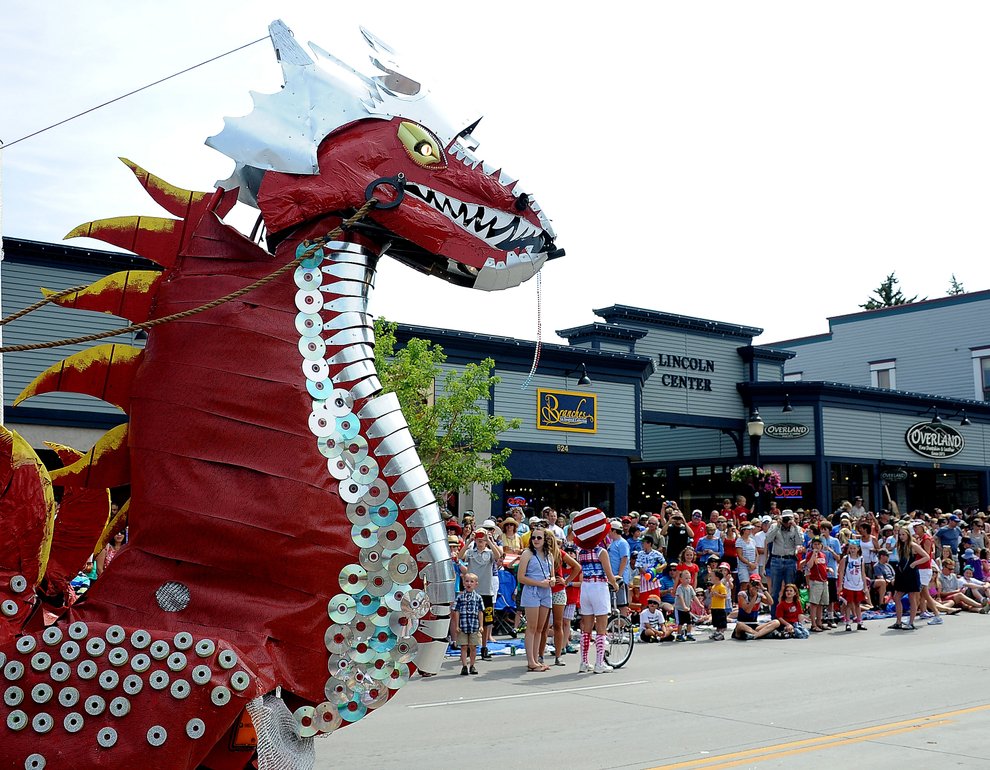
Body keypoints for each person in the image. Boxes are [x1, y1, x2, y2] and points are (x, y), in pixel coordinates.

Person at [573, 507, 619, 674]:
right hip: (599, 587)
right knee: (601, 627)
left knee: (586, 627)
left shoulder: (580, 552)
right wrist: (615, 584)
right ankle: (599, 662)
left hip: (585, 587)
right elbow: (609, 574)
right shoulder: (601, 552)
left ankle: (584, 661)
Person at [458, 527, 503, 660]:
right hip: (472, 592)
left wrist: (490, 541)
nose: (480, 542)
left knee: (486, 621)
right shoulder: (471, 553)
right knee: (469, 619)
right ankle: (468, 647)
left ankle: (484, 647)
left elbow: (498, 556)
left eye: (482, 540)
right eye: (478, 540)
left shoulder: (489, 553)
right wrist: (469, 541)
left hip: (486, 591)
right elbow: (460, 556)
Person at [517, 527, 554, 672]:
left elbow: (552, 574)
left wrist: (552, 580)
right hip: (532, 591)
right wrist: (540, 583)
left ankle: (537, 658)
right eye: (534, 538)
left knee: (540, 628)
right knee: (531, 627)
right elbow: (521, 578)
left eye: (539, 538)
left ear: (545, 540)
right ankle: (531, 661)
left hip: (546, 592)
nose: (536, 540)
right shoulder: (527, 554)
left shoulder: (549, 555)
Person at [543, 531, 581, 667]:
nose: (546, 541)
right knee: (543, 626)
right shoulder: (537, 553)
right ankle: (540, 655)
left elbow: (577, 567)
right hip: (543, 590)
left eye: (548, 538)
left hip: (558, 591)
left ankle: (558, 655)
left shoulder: (558, 553)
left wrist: (566, 581)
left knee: (558, 624)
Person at [890, 526, 928, 631]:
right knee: (897, 597)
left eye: (903, 534)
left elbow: (926, 556)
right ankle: (898, 622)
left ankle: (911, 623)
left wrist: (914, 563)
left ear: (908, 535)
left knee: (912, 598)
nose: (901, 537)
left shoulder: (912, 545)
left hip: (911, 573)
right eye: (900, 534)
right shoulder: (900, 546)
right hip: (902, 574)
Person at [766, 510, 802, 616]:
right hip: (776, 560)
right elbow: (768, 539)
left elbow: (800, 542)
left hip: (790, 560)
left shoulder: (797, 529)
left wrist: (795, 527)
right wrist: (778, 525)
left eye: (788, 519)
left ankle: (791, 615)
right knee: (775, 591)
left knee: (791, 589)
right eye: (785, 518)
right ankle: (775, 616)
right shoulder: (774, 527)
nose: (786, 521)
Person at [451, 573, 484, 675]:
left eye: (471, 581)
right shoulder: (460, 597)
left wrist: (481, 625)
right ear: (464, 583)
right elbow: (456, 611)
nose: (469, 583)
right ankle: (464, 666)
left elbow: (480, 611)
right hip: (463, 626)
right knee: (464, 646)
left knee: (473, 647)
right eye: (467, 581)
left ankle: (472, 665)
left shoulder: (478, 597)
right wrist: (457, 625)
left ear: (476, 584)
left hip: (474, 626)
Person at [731, 575, 780, 640]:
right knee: (740, 624)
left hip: (754, 625)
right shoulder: (742, 594)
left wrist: (763, 588)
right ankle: (759, 634)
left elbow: (771, 602)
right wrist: (754, 597)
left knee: (776, 622)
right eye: (753, 583)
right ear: (749, 584)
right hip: (743, 624)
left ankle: (756, 635)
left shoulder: (760, 596)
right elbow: (748, 611)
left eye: (756, 583)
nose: (754, 585)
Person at [838, 539, 868, 631]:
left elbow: (863, 573)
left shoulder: (861, 559)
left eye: (854, 548)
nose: (852, 550)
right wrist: (840, 585)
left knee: (858, 604)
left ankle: (859, 621)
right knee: (848, 604)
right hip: (848, 584)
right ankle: (848, 622)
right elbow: (841, 572)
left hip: (858, 584)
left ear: (858, 549)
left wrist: (865, 586)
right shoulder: (846, 559)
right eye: (851, 548)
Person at [801, 536, 829, 632]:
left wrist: (828, 569)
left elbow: (823, 566)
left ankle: (819, 622)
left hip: (823, 581)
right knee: (814, 604)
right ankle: (813, 624)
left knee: (821, 603)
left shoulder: (823, 555)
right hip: (815, 582)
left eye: (818, 544)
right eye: (815, 544)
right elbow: (809, 565)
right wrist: (813, 554)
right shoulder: (810, 554)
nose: (817, 546)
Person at [607, 520, 632, 617]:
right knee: (614, 602)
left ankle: (623, 623)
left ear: (614, 531)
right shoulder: (613, 543)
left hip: (619, 578)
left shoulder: (622, 543)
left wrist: (619, 576)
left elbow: (624, 558)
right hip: (612, 577)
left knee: (622, 603)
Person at [636, 534, 666, 606]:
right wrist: (646, 573)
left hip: (654, 581)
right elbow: (638, 566)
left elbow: (664, 563)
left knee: (655, 602)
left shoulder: (657, 554)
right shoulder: (640, 554)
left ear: (649, 543)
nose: (642, 544)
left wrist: (659, 568)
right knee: (644, 603)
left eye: (644, 542)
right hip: (644, 581)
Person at [673, 570, 696, 642]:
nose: (688, 580)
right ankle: (679, 635)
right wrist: (684, 606)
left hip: (687, 609)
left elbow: (694, 596)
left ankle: (688, 634)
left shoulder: (690, 587)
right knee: (680, 623)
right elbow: (681, 597)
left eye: (689, 578)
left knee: (689, 622)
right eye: (686, 578)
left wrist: (700, 605)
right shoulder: (680, 588)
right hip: (680, 609)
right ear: (681, 579)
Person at [708, 564, 729, 641]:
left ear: (717, 578)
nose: (711, 578)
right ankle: (717, 632)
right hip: (714, 606)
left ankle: (721, 633)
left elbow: (724, 596)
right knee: (716, 621)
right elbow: (712, 596)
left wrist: (717, 594)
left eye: (712, 576)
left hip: (720, 607)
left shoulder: (721, 586)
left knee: (721, 622)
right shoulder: (713, 586)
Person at [736, 522, 759, 587]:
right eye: (748, 529)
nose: (750, 531)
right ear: (743, 530)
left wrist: (755, 563)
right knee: (744, 585)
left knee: (755, 584)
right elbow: (740, 555)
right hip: (743, 566)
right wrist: (749, 564)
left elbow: (756, 554)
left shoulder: (752, 540)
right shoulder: (739, 541)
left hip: (753, 566)